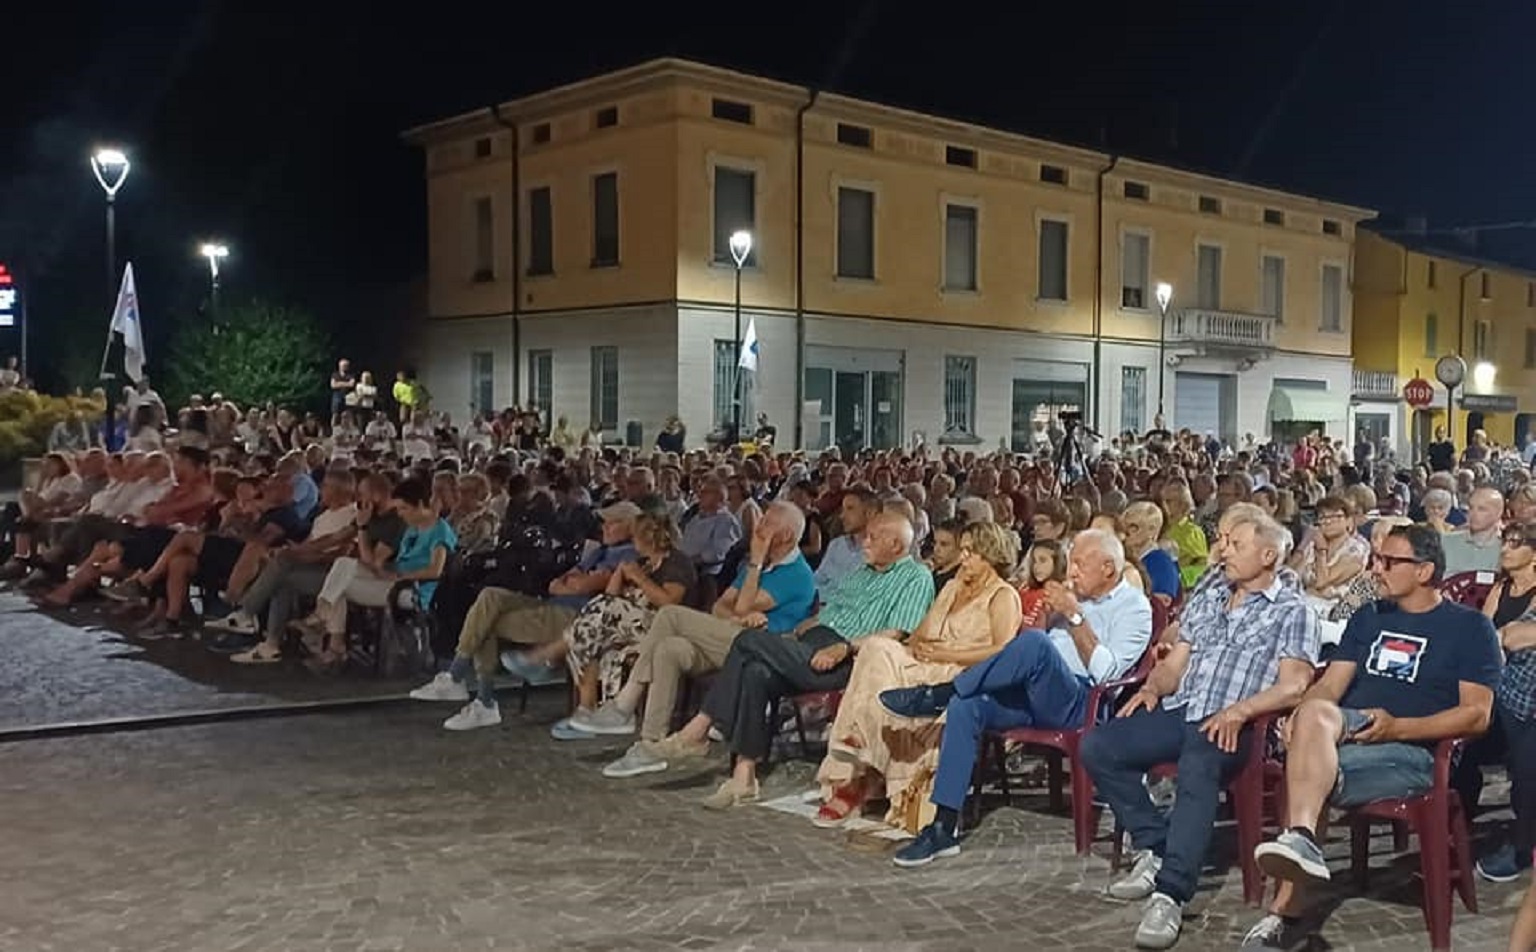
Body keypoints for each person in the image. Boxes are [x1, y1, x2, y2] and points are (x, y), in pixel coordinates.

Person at [1242, 525, 1501, 950]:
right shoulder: (1369, 616)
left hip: (1414, 751)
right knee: (1313, 718)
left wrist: (1399, 727)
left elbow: (1477, 716)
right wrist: (1301, 716)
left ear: (1424, 571)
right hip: (1352, 729)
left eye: (1389, 561)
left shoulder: (1470, 628)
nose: (1376, 569)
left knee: (1307, 770)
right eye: (1377, 559)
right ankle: (1301, 841)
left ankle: (1286, 907)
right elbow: (1330, 686)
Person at [1080, 515, 1318, 950]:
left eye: (1237, 544)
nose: (1224, 550)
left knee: (1197, 765)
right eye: (1225, 542)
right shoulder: (1211, 598)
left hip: (1238, 723)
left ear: (1268, 555)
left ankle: (1170, 893)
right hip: (1185, 710)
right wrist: (1152, 688)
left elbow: (1294, 685)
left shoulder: (1293, 609)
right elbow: (1175, 664)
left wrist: (1240, 711)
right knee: (1099, 745)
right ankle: (1156, 846)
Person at [882, 528, 1153, 867]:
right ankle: (943, 827)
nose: (1071, 573)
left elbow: (1107, 675)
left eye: (1080, 565)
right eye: (1071, 564)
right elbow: (1025, 649)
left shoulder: (1135, 608)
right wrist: (1047, 617)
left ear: (1108, 569)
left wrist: (1074, 617)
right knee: (966, 707)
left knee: (1035, 648)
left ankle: (942, 692)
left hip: (1080, 703)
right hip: (1033, 690)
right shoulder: (1073, 595)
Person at [814, 521, 1022, 829]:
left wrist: (944, 654)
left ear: (990, 555)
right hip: (925, 661)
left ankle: (859, 776)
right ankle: (860, 740)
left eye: (970, 552)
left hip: (961, 671)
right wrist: (917, 649)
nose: (963, 557)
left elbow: (1002, 651)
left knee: (886, 666)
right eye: (963, 550)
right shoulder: (951, 588)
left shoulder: (1003, 595)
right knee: (877, 648)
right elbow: (920, 634)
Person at [590, 502, 816, 774]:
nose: (758, 527)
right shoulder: (761, 566)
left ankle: (626, 702)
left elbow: (742, 606)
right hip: (728, 638)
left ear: (786, 535)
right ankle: (651, 742)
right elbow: (721, 606)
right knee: (669, 648)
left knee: (671, 615)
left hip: (761, 650)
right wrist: (736, 616)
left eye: (767, 523)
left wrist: (755, 563)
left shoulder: (796, 574)